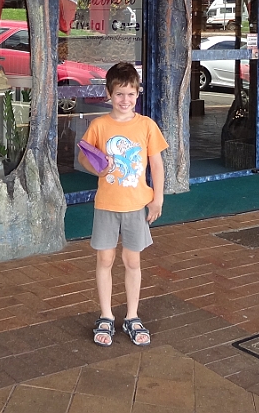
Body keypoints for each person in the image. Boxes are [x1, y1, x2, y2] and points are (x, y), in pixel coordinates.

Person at [78, 61, 166, 347]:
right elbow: (84, 156)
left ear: (138, 94)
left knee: (132, 261)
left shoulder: (147, 125)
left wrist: (157, 198)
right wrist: (98, 169)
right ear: (109, 94)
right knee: (105, 259)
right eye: (119, 94)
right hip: (106, 204)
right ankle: (106, 315)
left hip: (136, 205)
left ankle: (132, 315)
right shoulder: (99, 125)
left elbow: (157, 164)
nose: (125, 100)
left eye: (130, 94)